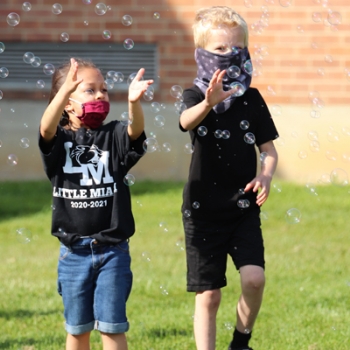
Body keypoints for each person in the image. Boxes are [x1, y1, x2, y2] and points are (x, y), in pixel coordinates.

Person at [179, 6, 279, 350]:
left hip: (242, 206)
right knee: (208, 296)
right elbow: (186, 122)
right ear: (202, 53)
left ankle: (240, 342)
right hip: (203, 209)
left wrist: (265, 176)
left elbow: (269, 150)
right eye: (220, 48)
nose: (229, 54)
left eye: (236, 47)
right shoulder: (195, 95)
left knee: (254, 278)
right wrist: (208, 103)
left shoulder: (250, 98)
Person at [39, 57, 153, 350]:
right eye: (89, 90)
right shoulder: (59, 140)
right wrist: (63, 92)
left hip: (113, 251)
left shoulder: (113, 134)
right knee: (77, 330)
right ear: (66, 101)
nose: (100, 95)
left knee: (112, 328)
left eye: (104, 90)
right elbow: (45, 129)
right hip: (73, 253)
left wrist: (133, 103)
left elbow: (135, 133)